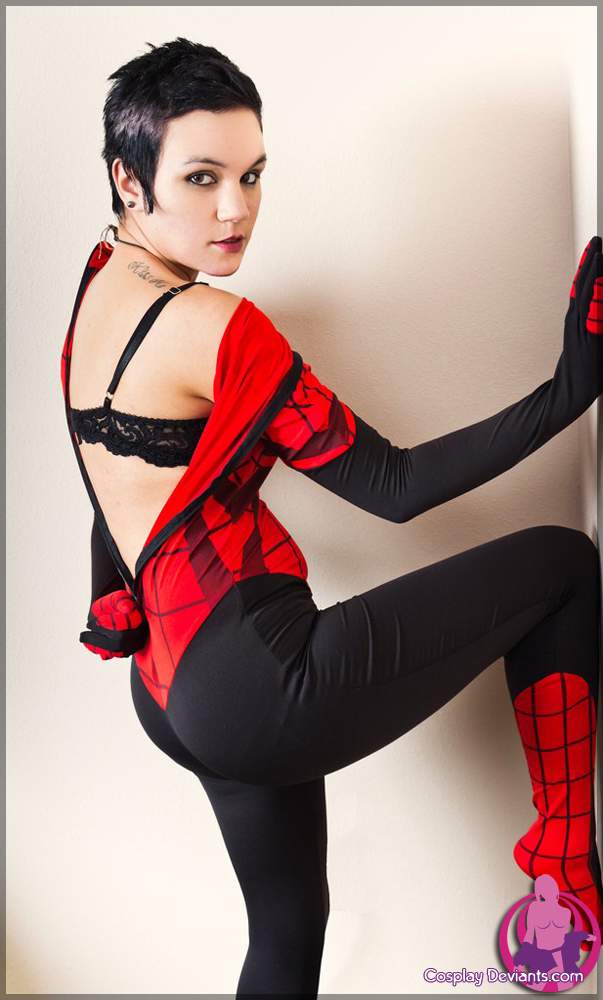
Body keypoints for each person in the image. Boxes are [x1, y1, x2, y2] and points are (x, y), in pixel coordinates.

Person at [60, 37, 603, 998]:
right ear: (128, 178)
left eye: (252, 175)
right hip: (250, 682)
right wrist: (568, 392)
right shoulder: (217, 328)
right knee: (560, 563)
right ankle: (562, 854)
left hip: (167, 688)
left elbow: (118, 495)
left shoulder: (97, 287)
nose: (236, 210)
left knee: (286, 934)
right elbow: (392, 486)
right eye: (201, 178)